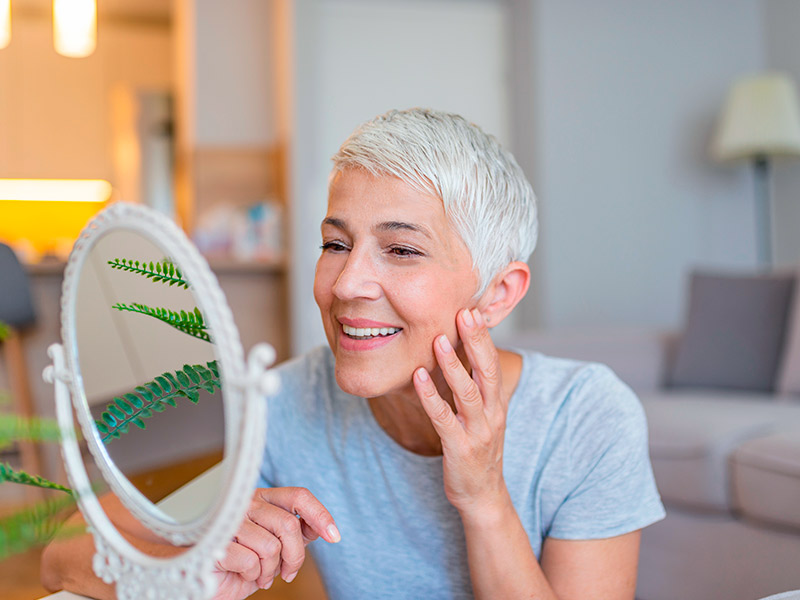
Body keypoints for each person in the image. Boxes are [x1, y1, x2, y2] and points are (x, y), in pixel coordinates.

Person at [42, 108, 664, 600]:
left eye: (401, 250)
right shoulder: (286, 405)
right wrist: (190, 566)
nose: (344, 285)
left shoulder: (585, 416)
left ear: (498, 293)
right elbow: (64, 551)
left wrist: (483, 497)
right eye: (335, 243)